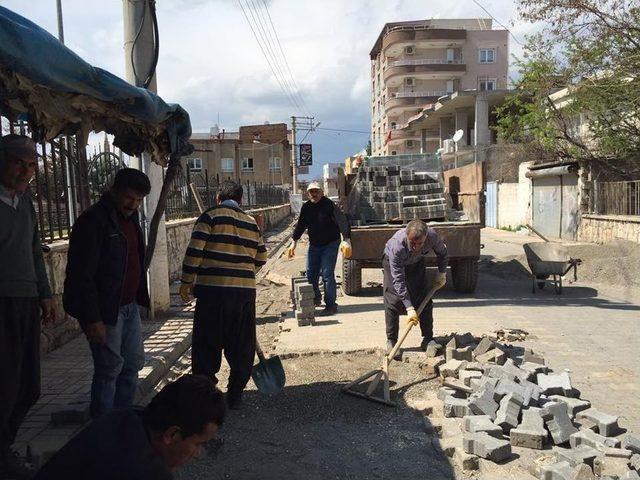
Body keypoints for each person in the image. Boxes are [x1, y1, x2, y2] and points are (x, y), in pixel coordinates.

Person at [63, 168, 150, 418]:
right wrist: (93, 319)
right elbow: (81, 275)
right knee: (109, 369)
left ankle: (121, 422)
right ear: (114, 191)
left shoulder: (130, 219)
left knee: (132, 364)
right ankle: (102, 429)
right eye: (129, 198)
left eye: (139, 200)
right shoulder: (93, 221)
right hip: (105, 311)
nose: (133, 204)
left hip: (129, 306)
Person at [33, 374, 226, 480]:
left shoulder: (127, 416)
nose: (198, 453)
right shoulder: (145, 471)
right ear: (173, 434)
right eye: (198, 444)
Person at [179, 180, 267, 409]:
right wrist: (242, 273)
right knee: (241, 345)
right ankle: (235, 394)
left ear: (218, 198)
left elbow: (195, 251)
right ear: (240, 200)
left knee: (207, 343)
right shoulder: (251, 222)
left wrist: (186, 281)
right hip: (245, 294)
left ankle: (205, 397)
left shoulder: (210, 216)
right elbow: (261, 259)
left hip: (213, 293)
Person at [0, 134, 55, 479]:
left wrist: (45, 293)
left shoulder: (25, 203)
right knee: (5, 386)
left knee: (28, 387)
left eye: (32, 164)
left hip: (26, 301)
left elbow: (35, 251)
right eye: (19, 162)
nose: (26, 170)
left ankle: (4, 447)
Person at [383, 219, 448, 359]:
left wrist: (442, 273)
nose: (416, 247)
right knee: (393, 300)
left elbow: (443, 253)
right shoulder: (397, 246)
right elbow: (398, 280)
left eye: (420, 243)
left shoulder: (432, 236)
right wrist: (409, 308)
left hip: (416, 262)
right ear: (407, 235)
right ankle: (392, 341)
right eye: (412, 243)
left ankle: (428, 339)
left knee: (424, 297)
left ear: (426, 237)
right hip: (392, 263)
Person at [287, 182, 351, 316]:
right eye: (311, 192)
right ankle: (316, 298)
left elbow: (341, 220)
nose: (314, 194)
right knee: (311, 273)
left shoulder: (329, 205)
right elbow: (301, 225)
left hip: (330, 243)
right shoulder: (306, 207)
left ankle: (331, 305)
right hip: (315, 245)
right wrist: (294, 242)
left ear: (321, 192)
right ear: (308, 193)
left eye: (316, 191)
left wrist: (346, 239)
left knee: (327, 274)